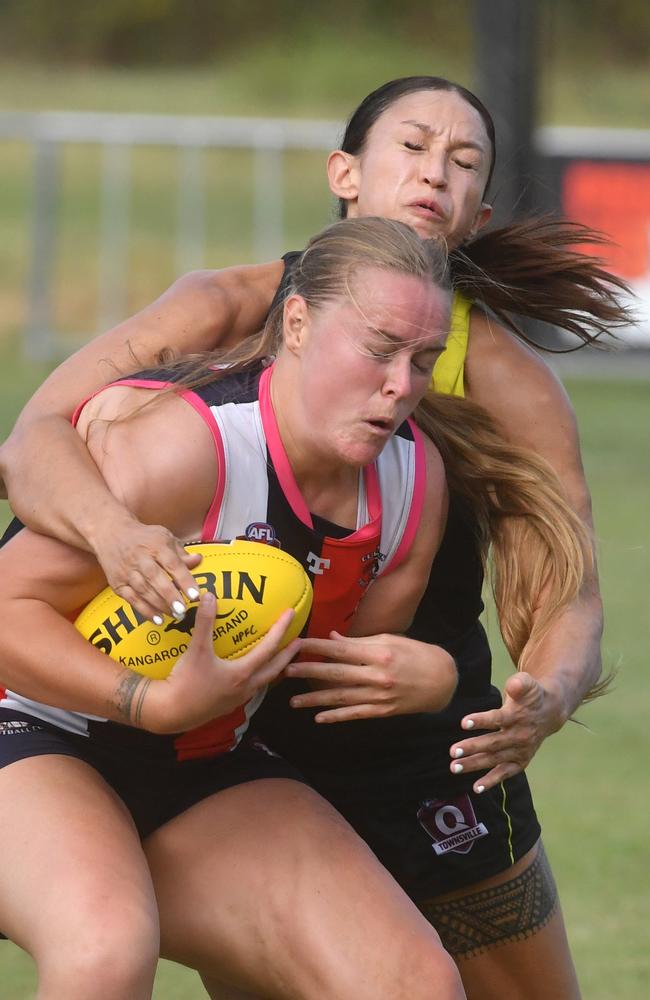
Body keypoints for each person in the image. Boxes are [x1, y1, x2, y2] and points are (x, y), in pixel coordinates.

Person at [0, 76, 631, 999]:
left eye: (463, 164)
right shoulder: (215, 349)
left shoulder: (474, 412)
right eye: (412, 148)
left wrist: (508, 687)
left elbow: (565, 592)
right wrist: (116, 533)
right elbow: (33, 440)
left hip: (370, 728)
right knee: (107, 948)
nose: (434, 177)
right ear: (344, 172)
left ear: (480, 209)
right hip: (170, 704)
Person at [0, 218, 467, 1000]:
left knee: (414, 984)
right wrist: (145, 700)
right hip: (36, 731)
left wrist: (428, 678)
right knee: (106, 951)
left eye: (424, 361)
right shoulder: (189, 447)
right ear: (296, 323)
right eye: (378, 348)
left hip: (202, 760)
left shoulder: (414, 485)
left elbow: (311, 672)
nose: (400, 385)